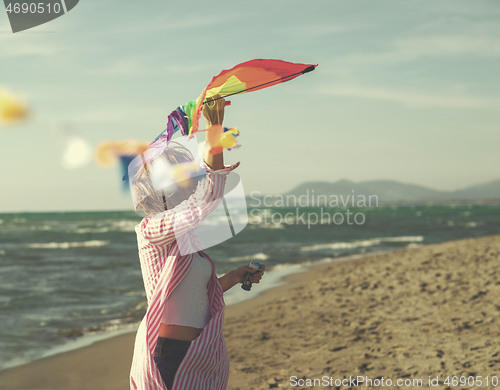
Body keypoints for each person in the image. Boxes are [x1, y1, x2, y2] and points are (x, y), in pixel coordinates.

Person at [130, 95, 265, 390]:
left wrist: (235, 276)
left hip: (201, 351)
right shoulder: (151, 230)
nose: (192, 180)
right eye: (184, 175)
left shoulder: (184, 234)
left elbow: (195, 295)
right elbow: (206, 200)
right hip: (169, 353)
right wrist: (214, 127)